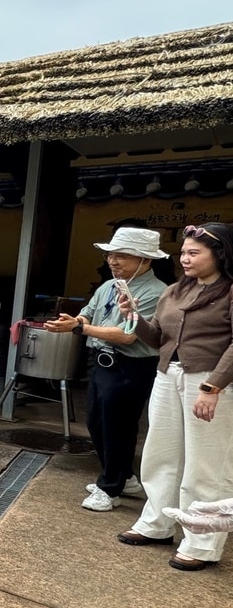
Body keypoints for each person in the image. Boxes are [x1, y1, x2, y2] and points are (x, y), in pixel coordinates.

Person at [117, 222, 233, 570]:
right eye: (183, 252)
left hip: (211, 381)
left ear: (220, 254)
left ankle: (202, 543)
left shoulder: (229, 291)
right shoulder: (174, 292)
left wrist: (214, 386)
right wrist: (133, 317)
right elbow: (158, 340)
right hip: (168, 374)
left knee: (206, 463)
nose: (185, 258)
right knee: (161, 452)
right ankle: (157, 524)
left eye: (194, 252)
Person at [43, 227, 168, 512]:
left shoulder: (156, 292)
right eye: (111, 254)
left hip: (132, 365)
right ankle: (124, 477)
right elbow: (88, 310)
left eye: (122, 256)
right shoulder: (109, 285)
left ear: (146, 260)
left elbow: (127, 335)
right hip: (101, 362)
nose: (113, 261)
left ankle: (110, 488)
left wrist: (79, 327)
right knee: (97, 424)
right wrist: (75, 319)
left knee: (118, 427)